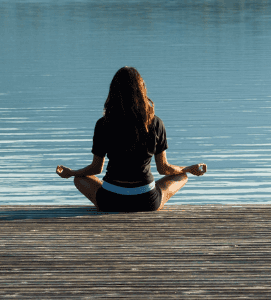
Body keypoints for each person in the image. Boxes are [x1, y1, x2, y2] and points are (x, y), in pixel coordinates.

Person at [56, 67, 207, 212]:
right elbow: (163, 168)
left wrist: (72, 172)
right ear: (142, 91)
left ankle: (110, 198)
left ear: (113, 92)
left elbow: (96, 168)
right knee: (182, 176)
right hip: (147, 200)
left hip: (110, 200)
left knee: (79, 179)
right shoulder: (155, 123)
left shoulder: (103, 124)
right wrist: (187, 169)